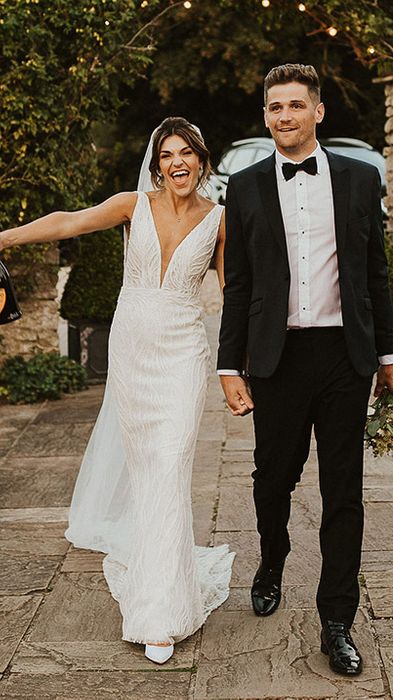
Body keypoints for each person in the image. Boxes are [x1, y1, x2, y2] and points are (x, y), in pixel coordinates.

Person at [0, 117, 235, 665]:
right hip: (133, 352)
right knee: (147, 468)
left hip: (183, 352)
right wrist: (5, 235)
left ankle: (161, 612)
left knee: (171, 465)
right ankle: (161, 579)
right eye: (167, 153)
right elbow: (70, 222)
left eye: (187, 153)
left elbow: (235, 294)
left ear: (202, 160)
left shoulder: (221, 222)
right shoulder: (133, 205)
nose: (178, 162)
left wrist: (240, 366)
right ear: (157, 163)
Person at [217, 63, 393, 676]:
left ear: (318, 112)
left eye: (296, 106)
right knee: (272, 480)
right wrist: (229, 365)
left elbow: (376, 274)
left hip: (343, 356)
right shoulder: (243, 188)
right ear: (265, 115)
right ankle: (272, 558)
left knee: (342, 491)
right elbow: (239, 286)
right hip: (277, 357)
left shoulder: (357, 179)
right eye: (275, 107)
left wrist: (390, 355)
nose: (285, 117)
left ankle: (337, 620)